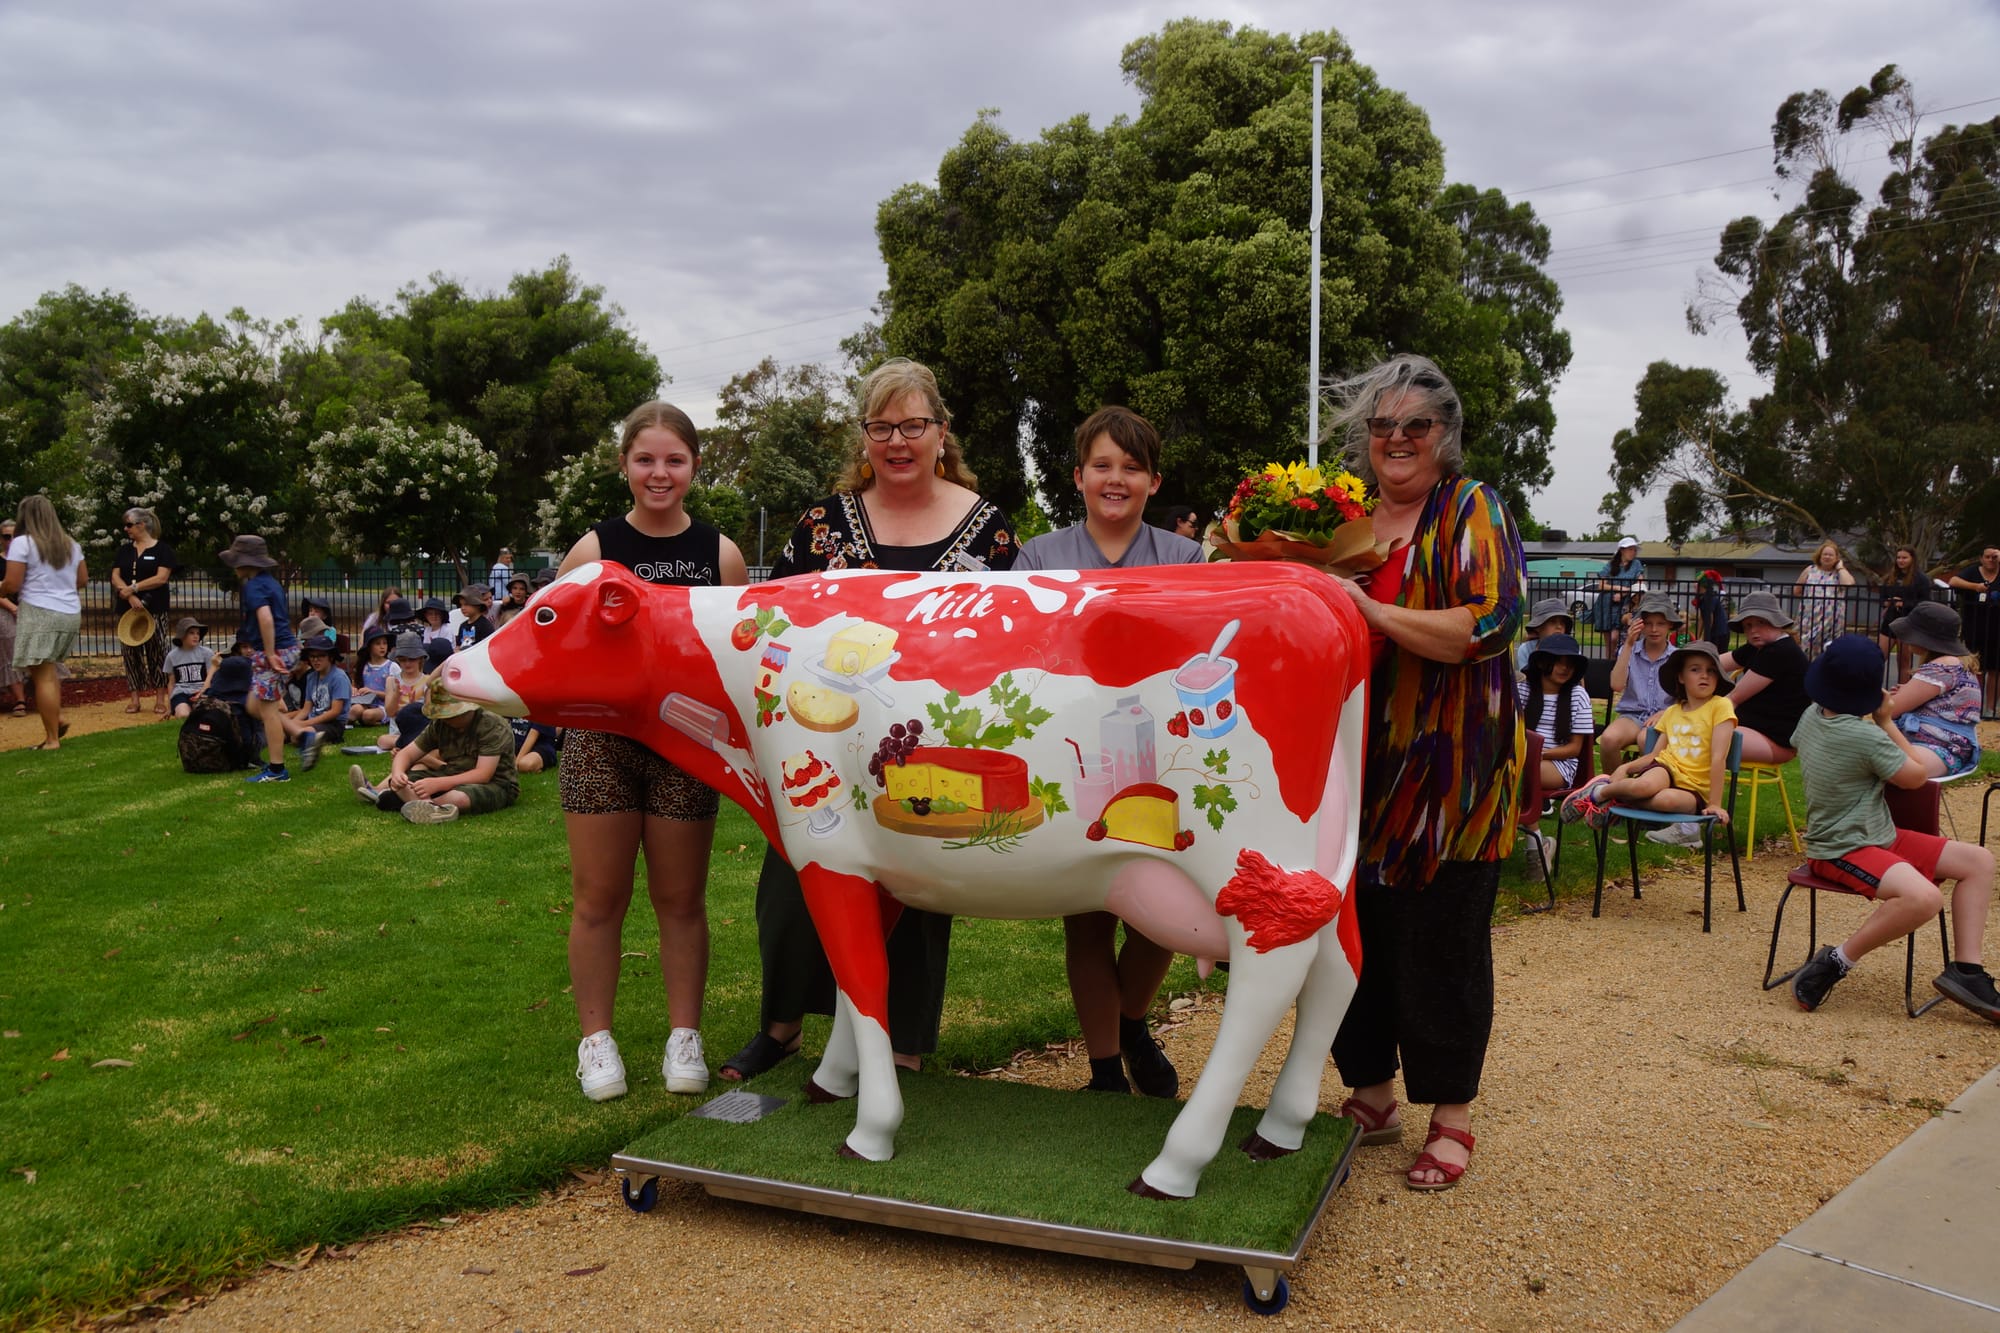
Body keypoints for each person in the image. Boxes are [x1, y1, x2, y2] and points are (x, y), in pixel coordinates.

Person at [721, 357, 1016, 1086]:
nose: (897, 441)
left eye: (912, 425)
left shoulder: (986, 530)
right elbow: (778, 625)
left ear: (941, 433)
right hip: (820, 743)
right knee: (795, 880)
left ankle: (903, 1042)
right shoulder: (823, 524)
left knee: (915, 891)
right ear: (864, 438)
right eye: (881, 426)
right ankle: (782, 1027)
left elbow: (1007, 635)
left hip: (930, 738)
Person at [1319, 354, 1524, 1192]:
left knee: (1442, 943)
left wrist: (1370, 610)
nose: (1397, 439)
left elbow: (1491, 620)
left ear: (1446, 436)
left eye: (1415, 425)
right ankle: (1371, 1090)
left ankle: (1451, 1115)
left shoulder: (1471, 507)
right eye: (1381, 426)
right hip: (1356, 764)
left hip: (1455, 771)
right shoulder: (1349, 522)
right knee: (1352, 935)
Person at [557, 399, 748, 1103]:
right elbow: (554, 647)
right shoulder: (593, 551)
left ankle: (683, 1034)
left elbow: (738, 656)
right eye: (646, 459)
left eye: (674, 460)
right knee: (598, 897)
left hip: (684, 745)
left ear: (695, 466)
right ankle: (596, 1039)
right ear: (624, 466)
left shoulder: (719, 553)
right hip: (602, 744)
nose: (659, 473)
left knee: (681, 898)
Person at [1013, 404, 1202, 1099]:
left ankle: (1130, 1025)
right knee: (1088, 912)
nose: (1115, 478)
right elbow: (1028, 653)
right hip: (1071, 755)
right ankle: (1103, 1074)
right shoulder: (1039, 557)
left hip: (1159, 754)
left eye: (1130, 466)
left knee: (1165, 910)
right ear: (1078, 476)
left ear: (1153, 480)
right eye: (1101, 465)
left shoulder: (1185, 559)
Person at [1786, 634, 1999, 1022]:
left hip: (1877, 835)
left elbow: (1807, 744)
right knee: (1924, 899)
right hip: (1839, 848)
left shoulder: (1810, 715)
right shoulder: (1867, 736)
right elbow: (1916, 777)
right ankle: (1836, 961)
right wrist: (1886, 720)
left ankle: (1966, 971)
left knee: (1978, 861)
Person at [1561, 641, 1736, 839]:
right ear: (1681, 677)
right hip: (1666, 769)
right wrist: (1625, 768)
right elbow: (1655, 755)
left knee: (1666, 800)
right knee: (1643, 787)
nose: (1704, 675)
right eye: (1695, 669)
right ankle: (1599, 792)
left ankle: (1613, 799)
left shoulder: (1721, 706)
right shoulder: (1673, 711)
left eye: (1711, 671)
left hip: (1695, 788)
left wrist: (1714, 803)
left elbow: (1718, 758)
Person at [349, 677, 519, 825]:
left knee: (459, 798)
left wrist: (438, 784)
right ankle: (426, 808)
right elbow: (406, 754)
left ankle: (421, 806)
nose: (448, 719)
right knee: (402, 782)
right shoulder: (440, 725)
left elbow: (483, 774)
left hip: (496, 784)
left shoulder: (491, 725)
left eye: (453, 714)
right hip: (452, 773)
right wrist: (398, 773)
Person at [2, 495, 88, 750]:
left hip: (39, 612)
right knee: (46, 672)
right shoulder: (70, 544)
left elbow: (12, 584)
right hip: (69, 612)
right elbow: (82, 579)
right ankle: (56, 718)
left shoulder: (22, 543)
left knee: (43, 676)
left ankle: (52, 739)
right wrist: (58, 589)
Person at [219, 533, 299, 782]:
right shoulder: (270, 582)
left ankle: (277, 770)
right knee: (254, 706)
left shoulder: (253, 586)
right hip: (285, 649)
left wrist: (269, 653)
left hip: (274, 651)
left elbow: (265, 619)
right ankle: (303, 734)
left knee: (268, 711)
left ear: (245, 563)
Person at [1885, 601, 1983, 778]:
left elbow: (1889, 710)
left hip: (1940, 748)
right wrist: (1908, 692)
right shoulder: (1956, 663)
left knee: (1881, 762)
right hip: (1951, 748)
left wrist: (1888, 698)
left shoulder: (1943, 666)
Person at [1716, 591, 1811, 764]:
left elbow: (1733, 699)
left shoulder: (1780, 651)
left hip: (1776, 740)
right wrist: (1685, 661)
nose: (1753, 630)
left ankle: (1692, 789)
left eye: (1761, 623)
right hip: (1751, 728)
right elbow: (1714, 663)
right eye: (1748, 625)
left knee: (1698, 735)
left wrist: (1692, 713)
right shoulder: (1758, 646)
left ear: (1777, 622)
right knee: (1688, 730)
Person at [1597, 595, 1679, 774]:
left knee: (1645, 739)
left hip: (1663, 717)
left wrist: (1666, 713)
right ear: (1639, 624)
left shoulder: (1677, 658)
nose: (1654, 629)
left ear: (1670, 625)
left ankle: (1645, 790)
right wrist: (1628, 644)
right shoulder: (1630, 650)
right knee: (1609, 739)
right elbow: (1617, 685)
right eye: (1648, 623)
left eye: (1661, 623)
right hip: (1632, 715)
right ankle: (1615, 789)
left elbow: (1685, 699)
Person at [109, 507, 176, 715]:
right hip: (128, 610)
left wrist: (136, 588)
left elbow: (161, 578)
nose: (125, 529)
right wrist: (128, 594)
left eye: (129, 524)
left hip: (154, 609)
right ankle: (135, 698)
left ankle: (159, 698)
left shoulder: (162, 550)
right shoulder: (125, 551)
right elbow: (115, 576)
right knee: (131, 653)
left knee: (157, 651)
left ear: (142, 525)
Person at [1517, 633, 1593, 793]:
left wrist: (1540, 754)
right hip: (1520, 756)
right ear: (1542, 663)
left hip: (1560, 764)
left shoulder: (1578, 695)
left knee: (1520, 771)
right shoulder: (1523, 689)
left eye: (1570, 664)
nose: (1564, 668)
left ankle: (1534, 808)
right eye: (1558, 661)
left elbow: (1574, 748)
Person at [1947, 544, 2000, 709]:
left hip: (1997, 629)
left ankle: (1990, 708)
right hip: (1975, 627)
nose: (1991, 560)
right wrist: (1975, 587)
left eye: (1995, 557)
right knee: (1976, 669)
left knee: (1995, 671)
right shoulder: (1972, 572)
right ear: (1981, 558)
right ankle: (1975, 706)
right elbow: (1953, 581)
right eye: (1988, 557)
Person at [282, 640, 351, 765]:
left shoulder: (339, 677)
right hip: (313, 719)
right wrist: (295, 722)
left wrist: (304, 724)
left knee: (299, 735)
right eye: (312, 657)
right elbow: (306, 709)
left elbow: (335, 711)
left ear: (330, 657)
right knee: (284, 732)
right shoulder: (311, 677)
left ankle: (320, 740)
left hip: (333, 724)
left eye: (321, 656)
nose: (316, 660)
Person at [1876, 546, 1930, 680]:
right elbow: (1882, 598)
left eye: (1904, 557)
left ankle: (1902, 692)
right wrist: (1887, 602)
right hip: (1890, 622)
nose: (1901, 560)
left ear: (1912, 559)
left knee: (1904, 660)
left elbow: (1925, 602)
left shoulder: (1920, 578)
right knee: (1878, 658)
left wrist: (1904, 603)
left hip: (1909, 623)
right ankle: (1873, 691)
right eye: (1898, 557)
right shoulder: (1891, 577)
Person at [1795, 541, 1854, 656]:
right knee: (1806, 646)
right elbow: (1797, 590)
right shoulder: (1810, 570)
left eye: (1831, 555)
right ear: (1820, 555)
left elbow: (1848, 584)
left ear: (1836, 558)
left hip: (1832, 620)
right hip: (1810, 617)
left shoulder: (1840, 574)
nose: (1827, 557)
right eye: (1825, 554)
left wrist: (1840, 567)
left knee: (1829, 649)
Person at [1590, 537, 1644, 658]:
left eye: (1634, 549)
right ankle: (1609, 664)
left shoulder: (1636, 564)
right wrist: (1619, 588)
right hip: (1606, 604)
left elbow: (1639, 585)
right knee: (1609, 640)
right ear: (1622, 550)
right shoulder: (1611, 564)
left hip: (1624, 604)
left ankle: (1618, 662)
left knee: (1616, 637)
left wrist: (1624, 593)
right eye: (1630, 549)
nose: (1633, 552)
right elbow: (1601, 585)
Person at [163, 618, 215, 717]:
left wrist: (202, 692)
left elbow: (211, 678)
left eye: (198, 633)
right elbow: (171, 683)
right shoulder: (172, 656)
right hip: (181, 693)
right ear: (182, 635)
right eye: (191, 633)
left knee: (203, 714)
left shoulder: (207, 653)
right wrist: (170, 707)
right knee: (183, 714)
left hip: (202, 692)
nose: (196, 636)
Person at [1513, 596, 1574, 674]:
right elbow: (1526, 679)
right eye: (1552, 621)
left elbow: (1578, 680)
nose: (1559, 626)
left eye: (1562, 622)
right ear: (1538, 626)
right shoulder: (1526, 649)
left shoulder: (1571, 649)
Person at [347, 628, 394, 727]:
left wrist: (374, 692)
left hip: (384, 705)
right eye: (377, 644)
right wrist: (354, 690)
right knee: (354, 710)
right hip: (365, 703)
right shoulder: (362, 666)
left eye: (384, 643)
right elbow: (354, 684)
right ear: (369, 647)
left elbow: (395, 695)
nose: (382, 647)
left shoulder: (391, 666)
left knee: (368, 715)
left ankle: (379, 720)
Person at [1692, 569, 1729, 655]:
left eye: (1696, 583)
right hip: (1713, 632)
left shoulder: (1710, 598)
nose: (1694, 585)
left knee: (1717, 657)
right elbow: (1702, 618)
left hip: (1720, 633)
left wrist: (1704, 637)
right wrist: (1697, 637)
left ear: (1701, 585)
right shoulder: (1702, 598)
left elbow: (1709, 619)